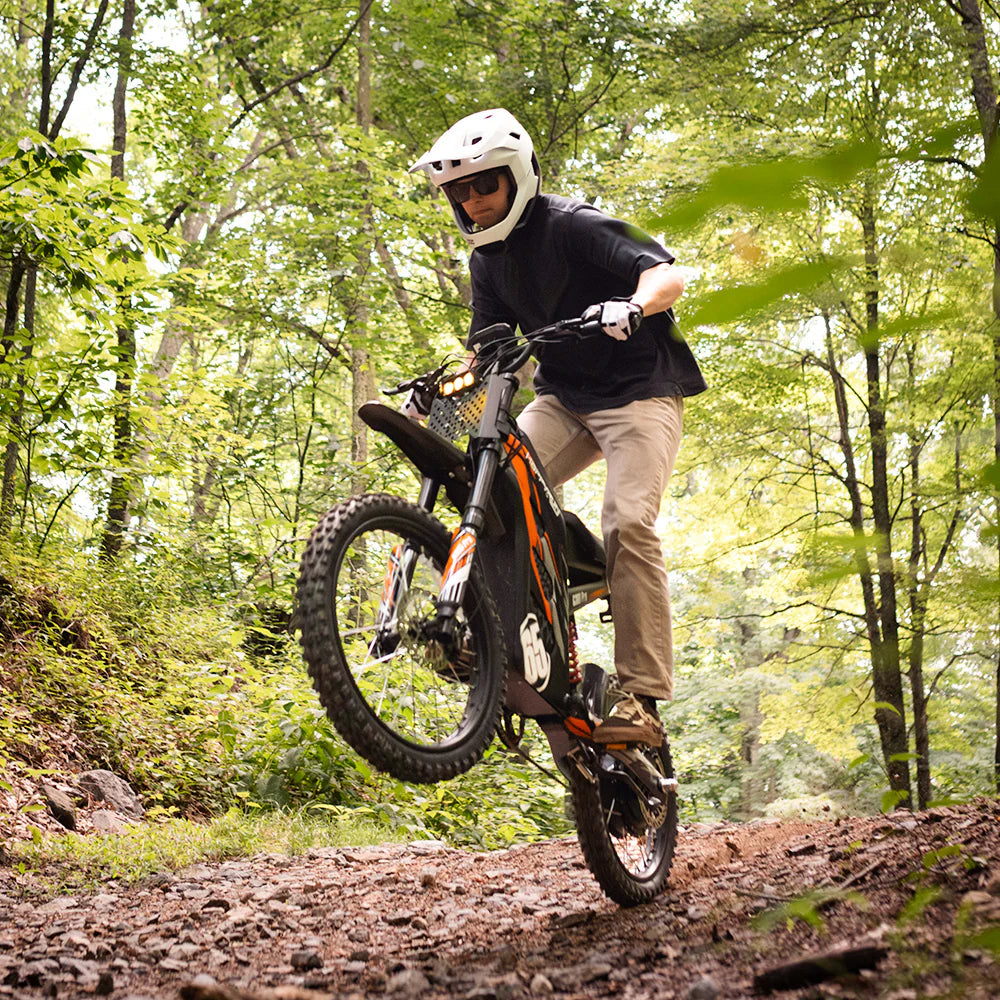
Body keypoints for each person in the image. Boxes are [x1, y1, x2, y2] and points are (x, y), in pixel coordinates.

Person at [410, 108, 706, 746]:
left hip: (640, 394)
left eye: (483, 184)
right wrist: (434, 395)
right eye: (459, 191)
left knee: (628, 520)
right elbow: (487, 354)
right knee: (486, 486)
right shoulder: (486, 261)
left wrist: (633, 305)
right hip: (565, 399)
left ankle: (641, 698)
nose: (471, 200)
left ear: (516, 177)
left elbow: (667, 273)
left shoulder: (574, 224)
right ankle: (489, 631)